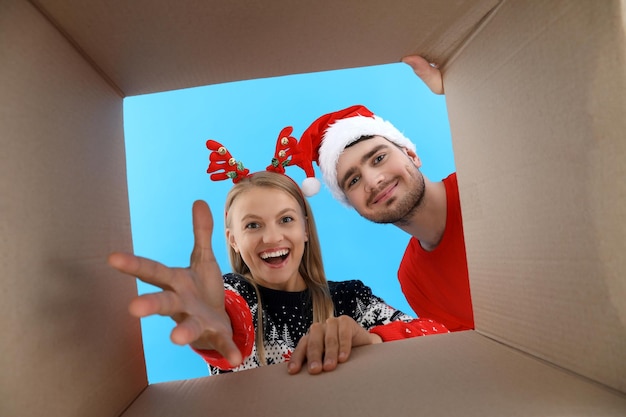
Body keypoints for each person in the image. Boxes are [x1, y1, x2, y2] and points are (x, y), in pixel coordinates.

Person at [108, 132, 448, 376]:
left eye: (285, 220)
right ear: (234, 240)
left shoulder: (349, 298)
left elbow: (438, 337)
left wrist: (372, 339)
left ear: (304, 228)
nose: (272, 237)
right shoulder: (233, 295)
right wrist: (216, 328)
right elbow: (230, 318)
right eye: (253, 226)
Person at [291, 55, 474, 332]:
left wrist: (468, 86)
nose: (373, 181)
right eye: (353, 180)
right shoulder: (414, 280)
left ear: (411, 153)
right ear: (350, 203)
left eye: (378, 158)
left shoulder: (482, 181)